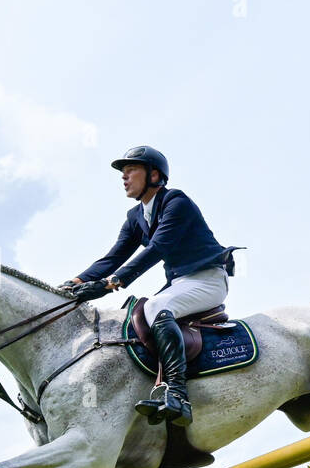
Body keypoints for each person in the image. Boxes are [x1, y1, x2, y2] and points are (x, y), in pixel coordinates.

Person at [65, 145, 240, 426]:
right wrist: (75, 283)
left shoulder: (176, 202)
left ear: (154, 175)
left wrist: (112, 283)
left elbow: (158, 247)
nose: (124, 177)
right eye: (123, 173)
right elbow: (114, 256)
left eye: (131, 170)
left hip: (207, 280)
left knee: (157, 308)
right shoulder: (135, 217)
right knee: (133, 314)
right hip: (180, 283)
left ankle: (178, 396)